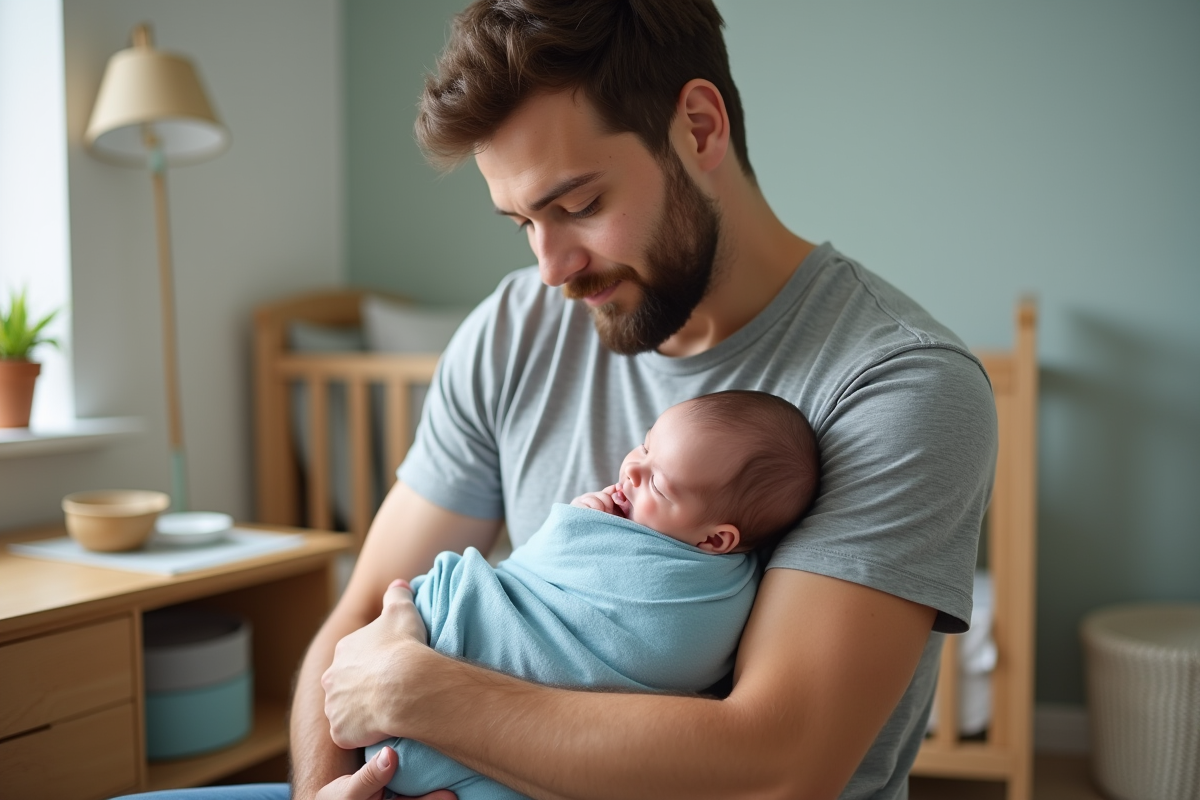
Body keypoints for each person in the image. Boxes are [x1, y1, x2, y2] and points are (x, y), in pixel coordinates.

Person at [115, 1, 997, 799]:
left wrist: (417, 692)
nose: (552, 269)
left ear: (697, 127)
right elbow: (358, 620)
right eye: (523, 223)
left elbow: (775, 767)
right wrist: (326, 796)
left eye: (577, 203)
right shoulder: (513, 329)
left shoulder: (899, 385)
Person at [366, 390, 820, 799]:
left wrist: (582, 523)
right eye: (645, 445)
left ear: (715, 542)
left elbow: (551, 559)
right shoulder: (734, 578)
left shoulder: (701, 592)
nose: (631, 469)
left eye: (658, 484)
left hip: (454, 702)